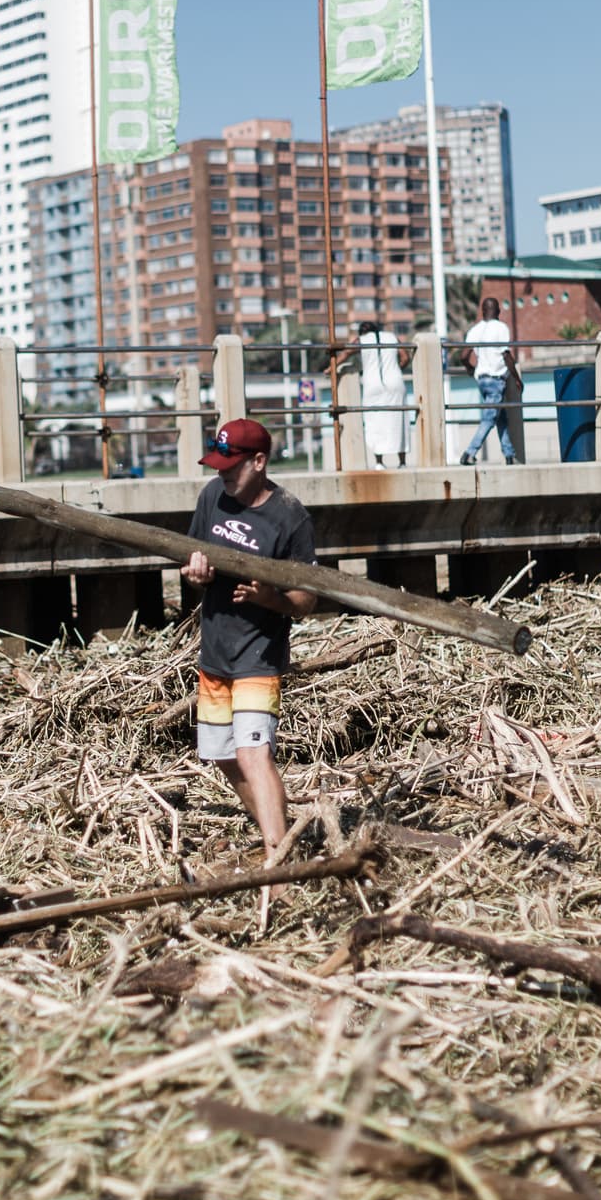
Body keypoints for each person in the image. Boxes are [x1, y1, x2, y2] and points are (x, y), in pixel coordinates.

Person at [180, 418, 317, 857]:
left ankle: (276, 860)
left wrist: (268, 598)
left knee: (254, 753)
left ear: (259, 461)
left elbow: (306, 601)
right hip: (215, 652)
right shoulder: (211, 497)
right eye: (219, 464)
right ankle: (280, 833)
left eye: (231, 466)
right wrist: (195, 576)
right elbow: (192, 565)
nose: (222, 473)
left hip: (260, 654)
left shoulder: (290, 516)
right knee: (223, 754)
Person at [327, 321, 410, 468]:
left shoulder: (361, 340)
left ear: (361, 332)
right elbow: (405, 357)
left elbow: (345, 353)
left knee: (374, 421)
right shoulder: (392, 337)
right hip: (395, 383)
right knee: (399, 419)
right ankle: (402, 462)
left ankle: (379, 462)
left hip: (372, 385)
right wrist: (396, 370)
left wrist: (330, 369)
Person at [460, 297, 520, 465]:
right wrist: (517, 378)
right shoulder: (501, 328)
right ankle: (469, 453)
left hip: (482, 379)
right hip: (496, 379)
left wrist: (470, 369)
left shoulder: (475, 330)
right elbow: (506, 356)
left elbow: (463, 356)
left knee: (500, 418)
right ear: (498, 311)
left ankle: (509, 454)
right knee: (489, 418)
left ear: (483, 311)